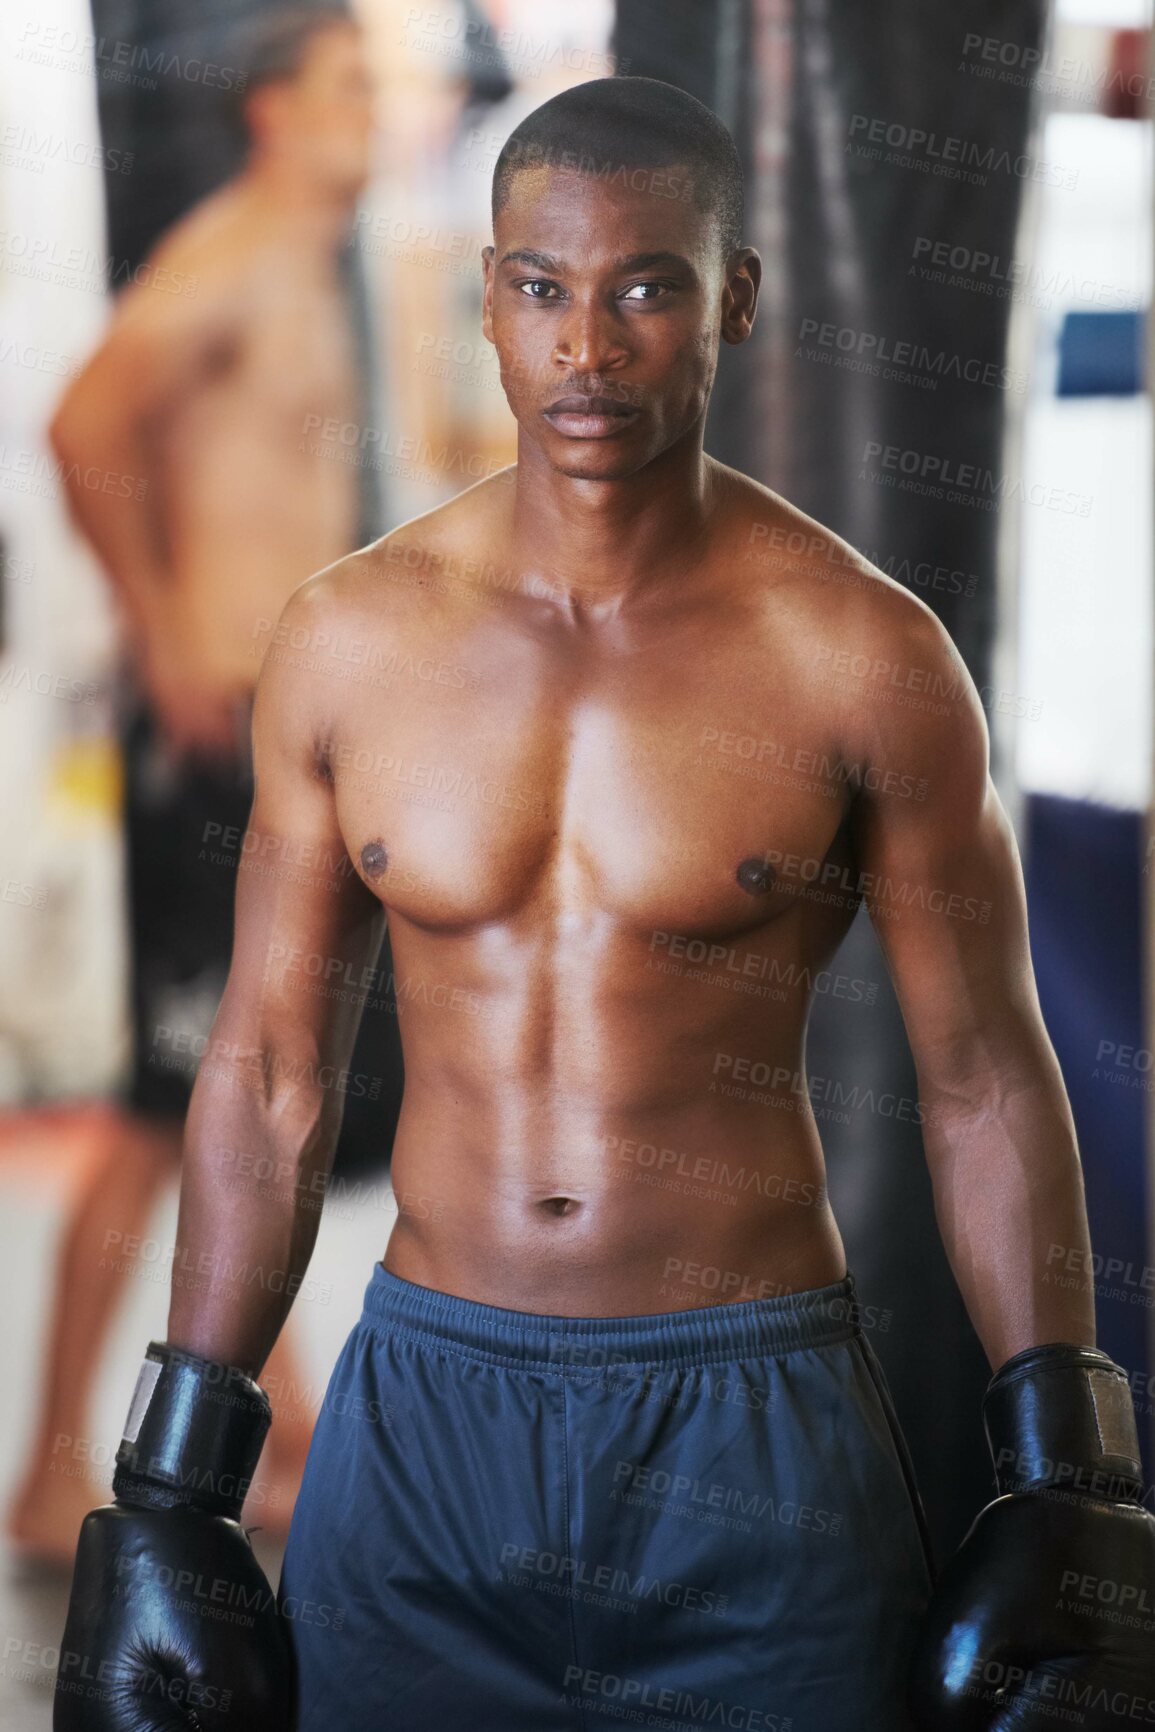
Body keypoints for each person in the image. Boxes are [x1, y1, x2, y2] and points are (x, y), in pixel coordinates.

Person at [54, 76, 1155, 1732]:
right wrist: (170, 1487)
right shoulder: (353, 642)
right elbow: (271, 1070)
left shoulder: (862, 655)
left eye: (646, 285)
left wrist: (1072, 1471)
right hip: (428, 1413)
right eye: (543, 288)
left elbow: (986, 1079)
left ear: (735, 297)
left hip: (753, 1427)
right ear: (487, 301)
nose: (591, 345)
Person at [12, 9, 377, 1565]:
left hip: (271, 739)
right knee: (172, 1116)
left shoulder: (313, 267)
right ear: (279, 107)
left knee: (251, 1093)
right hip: (208, 741)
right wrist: (160, 627)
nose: (385, 116)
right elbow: (82, 422)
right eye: (358, 86)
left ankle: (281, 1433)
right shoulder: (230, 250)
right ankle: (41, 1475)